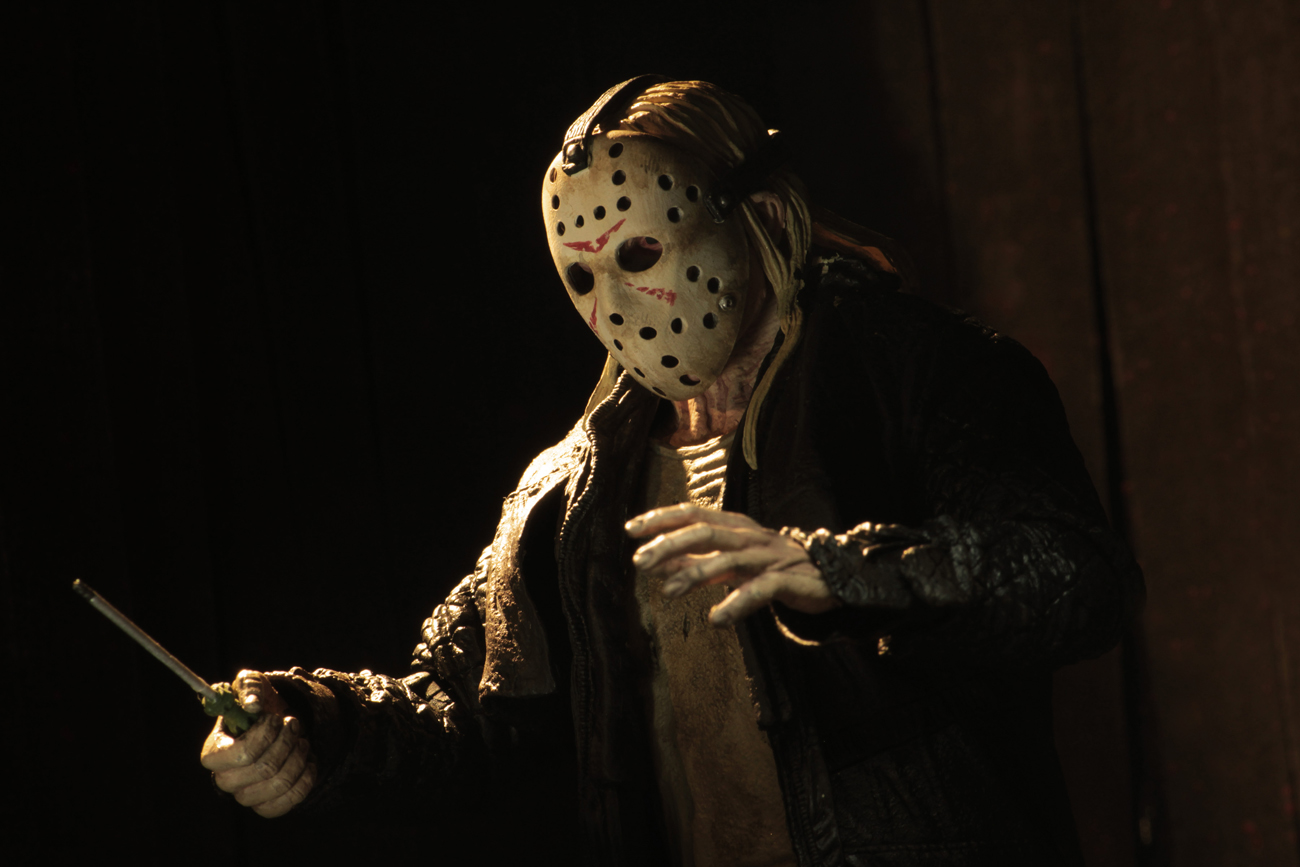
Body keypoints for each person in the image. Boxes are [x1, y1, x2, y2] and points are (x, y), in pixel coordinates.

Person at [200, 77, 1143, 866]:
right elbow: (465, 707)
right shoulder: (573, 488)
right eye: (583, 276)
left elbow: (1078, 575)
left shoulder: (915, 374)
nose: (615, 303)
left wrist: (851, 575)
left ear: (759, 215)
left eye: (641, 252)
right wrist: (307, 726)